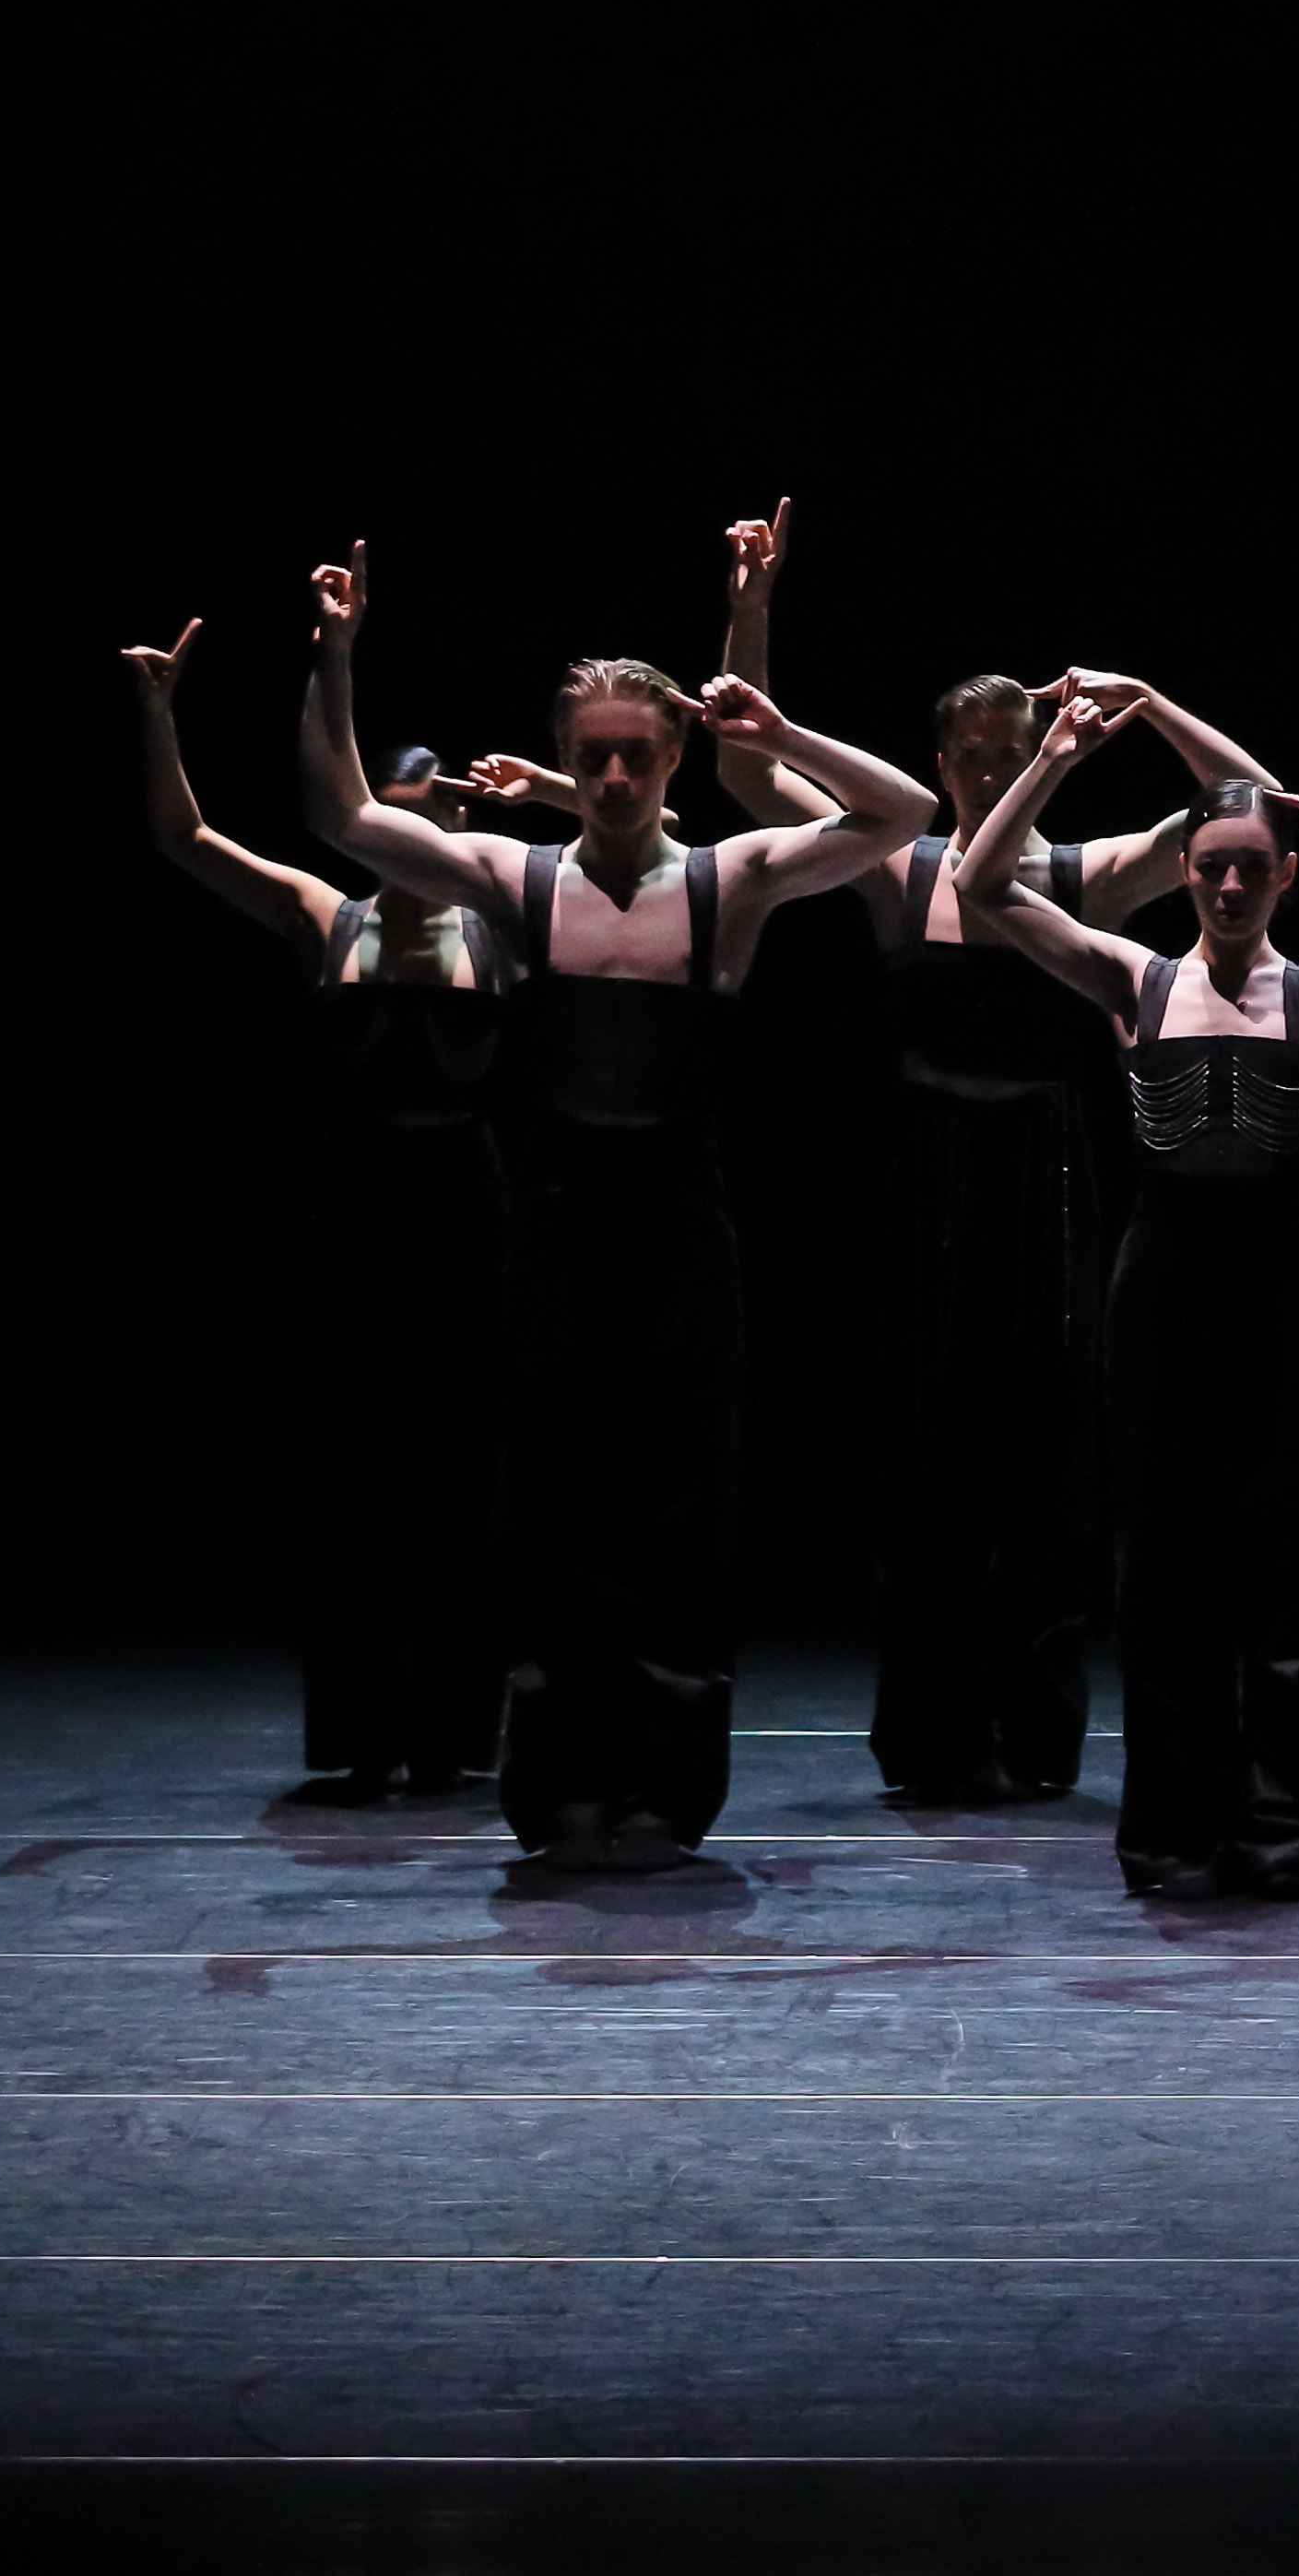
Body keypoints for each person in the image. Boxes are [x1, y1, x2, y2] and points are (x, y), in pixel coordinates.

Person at [291, 546, 934, 1871]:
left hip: (681, 1249)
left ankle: (662, 1787)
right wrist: (338, 651)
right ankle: (562, 1782)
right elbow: (347, 816)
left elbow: (900, 809)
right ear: (565, 759)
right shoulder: (519, 883)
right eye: (593, 756)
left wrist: (778, 726)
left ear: (672, 759)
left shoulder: (727, 881)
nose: (615, 778)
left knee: (680, 1519)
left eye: (638, 754)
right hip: (557, 1236)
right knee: (556, 1516)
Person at [704, 496, 1261, 1803]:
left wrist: (1153, 698)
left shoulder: (1080, 872)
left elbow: (1246, 803)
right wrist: (752, 603)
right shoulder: (896, 866)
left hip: (1049, 1169)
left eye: (1019, 745)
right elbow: (741, 764)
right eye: (974, 750)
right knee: (926, 1458)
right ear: (941, 759)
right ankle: (935, 1734)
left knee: (1047, 1459)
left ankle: (1036, 1729)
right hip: (928, 1170)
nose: (995, 767)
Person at [951, 697, 1299, 1900]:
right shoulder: (1134, 974)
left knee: (1288, 1558)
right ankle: (1175, 1825)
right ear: (1182, 871)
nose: (1226, 888)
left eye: (1249, 869)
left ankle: (1287, 1822)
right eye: (1209, 868)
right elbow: (981, 880)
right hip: (1160, 1287)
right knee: (1161, 1561)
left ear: (1284, 874)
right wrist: (1052, 759)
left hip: (1277, 1289)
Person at [125, 617, 509, 1801]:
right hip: (355, 1212)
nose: (407, 827)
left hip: (469, 1213)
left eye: (429, 812)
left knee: (462, 1476)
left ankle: (454, 1729)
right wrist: (159, 714)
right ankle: (361, 1729)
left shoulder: (501, 927)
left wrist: (541, 791)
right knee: (357, 1476)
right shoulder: (321, 914)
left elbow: (657, 865)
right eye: (390, 806)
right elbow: (184, 837)